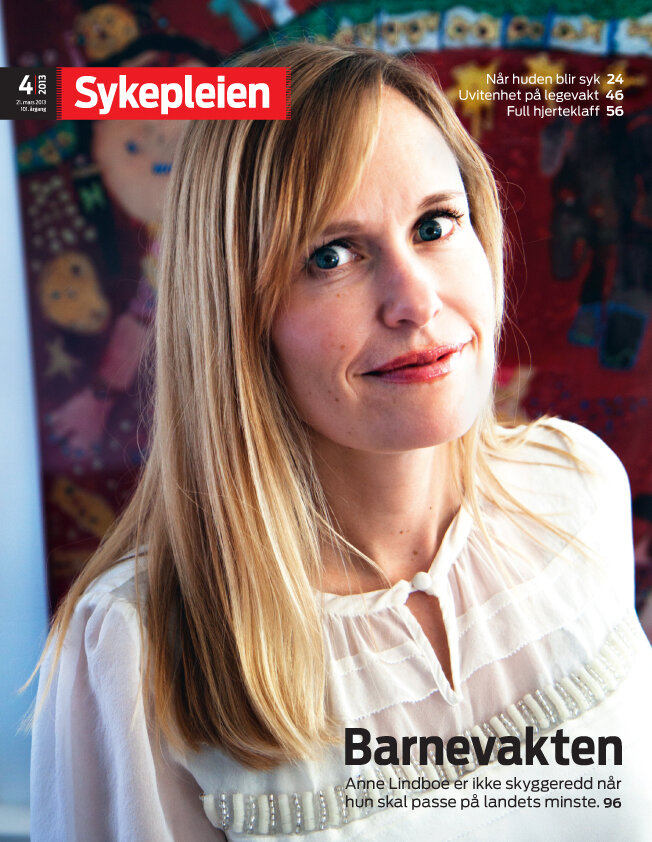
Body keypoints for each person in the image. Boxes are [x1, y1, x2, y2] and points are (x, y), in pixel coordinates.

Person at [30, 43, 652, 841]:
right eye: (331, 255)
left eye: (434, 224)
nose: (415, 301)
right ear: (234, 314)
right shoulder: (137, 653)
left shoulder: (579, 485)